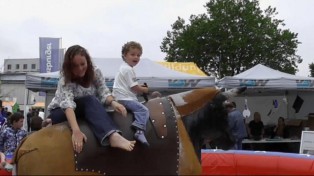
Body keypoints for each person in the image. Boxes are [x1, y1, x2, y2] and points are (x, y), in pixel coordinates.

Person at [47, 45, 136, 154]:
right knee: (90, 100)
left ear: (87, 61)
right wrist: (76, 131)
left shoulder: (95, 71)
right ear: (69, 67)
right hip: (61, 111)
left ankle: (110, 133)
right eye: (75, 66)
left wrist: (113, 103)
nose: (80, 68)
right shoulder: (65, 76)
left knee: (94, 102)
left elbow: (103, 90)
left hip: (85, 109)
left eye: (82, 64)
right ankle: (112, 135)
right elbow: (68, 103)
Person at [113, 41, 150, 146]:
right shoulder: (128, 70)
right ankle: (139, 131)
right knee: (144, 110)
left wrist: (141, 87)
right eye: (133, 54)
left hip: (121, 96)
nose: (136, 57)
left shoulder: (124, 68)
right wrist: (145, 90)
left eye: (138, 55)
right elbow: (134, 87)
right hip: (125, 98)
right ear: (124, 55)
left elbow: (132, 86)